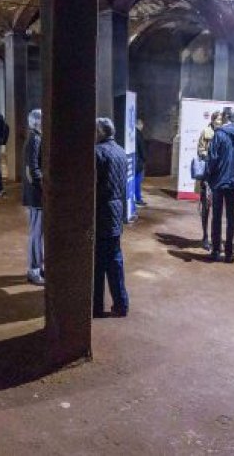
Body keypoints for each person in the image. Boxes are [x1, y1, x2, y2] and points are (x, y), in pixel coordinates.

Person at [94, 117, 129, 317]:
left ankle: (96, 306)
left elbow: (93, 186)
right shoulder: (121, 152)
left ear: (100, 132)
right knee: (115, 260)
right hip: (116, 211)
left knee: (98, 263)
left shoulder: (97, 153)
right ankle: (121, 304)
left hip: (101, 212)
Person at [206, 107, 234, 262]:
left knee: (216, 216)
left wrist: (208, 176)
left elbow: (213, 158)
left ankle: (216, 250)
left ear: (225, 117)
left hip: (219, 181)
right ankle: (229, 253)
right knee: (231, 216)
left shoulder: (219, 134)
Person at [22, 108, 44, 285]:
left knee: (38, 233)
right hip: (37, 196)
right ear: (37, 122)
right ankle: (34, 269)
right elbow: (33, 169)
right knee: (37, 234)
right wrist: (44, 187)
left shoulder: (35, 138)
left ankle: (38, 267)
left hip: (36, 194)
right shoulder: (35, 139)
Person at [196, 111, 223, 251]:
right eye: (217, 119)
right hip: (207, 175)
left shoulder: (223, 134)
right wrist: (210, 156)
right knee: (206, 208)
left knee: (218, 209)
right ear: (212, 120)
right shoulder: (205, 132)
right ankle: (205, 236)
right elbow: (200, 150)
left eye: (221, 120)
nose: (219, 122)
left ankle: (216, 238)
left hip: (219, 176)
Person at [134, 118, 147, 207]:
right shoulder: (138, 134)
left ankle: (135, 198)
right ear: (139, 124)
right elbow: (142, 149)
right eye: (142, 125)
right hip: (138, 162)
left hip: (133, 161)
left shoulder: (131, 133)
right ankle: (138, 199)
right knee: (137, 181)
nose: (142, 127)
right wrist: (144, 159)